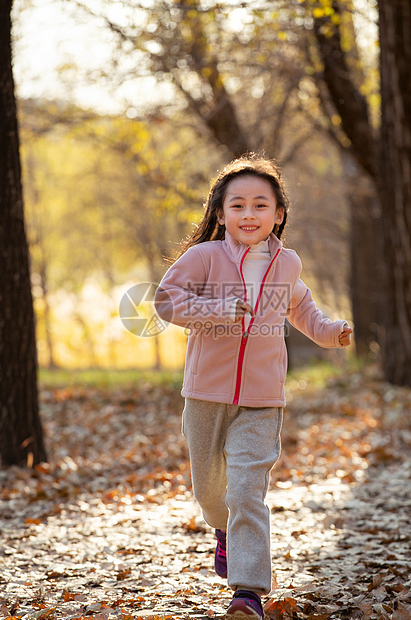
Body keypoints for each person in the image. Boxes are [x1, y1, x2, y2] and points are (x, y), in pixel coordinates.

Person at [154, 153, 352, 620]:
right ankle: (224, 532)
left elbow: (302, 309)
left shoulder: (286, 265)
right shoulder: (203, 258)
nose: (249, 215)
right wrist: (219, 307)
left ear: (278, 214)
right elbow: (167, 301)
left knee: (246, 490)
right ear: (220, 214)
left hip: (262, 399)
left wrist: (330, 331)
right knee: (210, 491)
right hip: (205, 394)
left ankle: (247, 592)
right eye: (237, 206)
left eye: (260, 205)